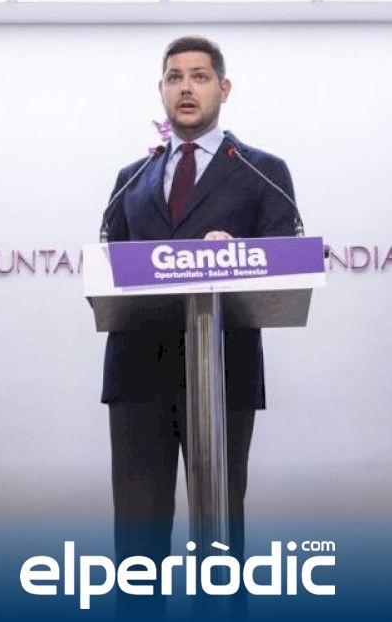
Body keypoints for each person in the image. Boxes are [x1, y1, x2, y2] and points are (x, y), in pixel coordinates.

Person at [100, 35, 299, 618]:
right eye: (174, 77)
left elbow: (284, 258)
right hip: (138, 371)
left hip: (223, 366)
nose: (186, 88)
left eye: (200, 76)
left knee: (220, 530)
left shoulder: (261, 170)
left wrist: (237, 254)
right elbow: (111, 265)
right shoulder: (132, 175)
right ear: (161, 90)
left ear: (223, 88)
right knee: (137, 535)